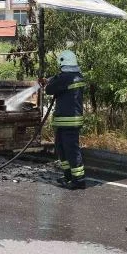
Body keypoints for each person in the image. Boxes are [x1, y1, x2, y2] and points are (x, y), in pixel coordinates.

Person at [43, 49, 87, 190]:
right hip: (67, 121)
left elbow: (49, 89)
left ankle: (78, 180)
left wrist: (47, 82)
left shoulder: (65, 78)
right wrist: (50, 79)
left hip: (68, 121)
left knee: (71, 151)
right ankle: (69, 176)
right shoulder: (76, 76)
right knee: (62, 149)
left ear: (62, 63)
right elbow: (57, 82)